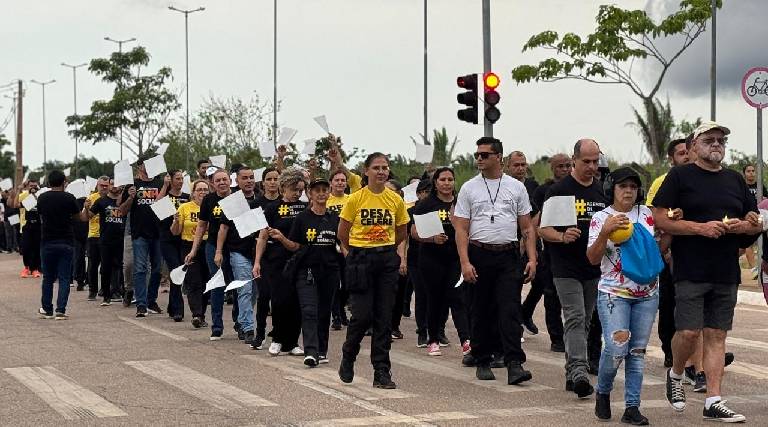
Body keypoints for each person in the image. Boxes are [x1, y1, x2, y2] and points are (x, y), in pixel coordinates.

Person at [653, 121, 760, 422]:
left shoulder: (735, 180)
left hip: (726, 270)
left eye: (721, 140)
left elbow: (752, 222)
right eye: (710, 139)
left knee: (716, 334)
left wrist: (748, 225)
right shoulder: (679, 176)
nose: (717, 144)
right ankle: (676, 373)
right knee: (688, 332)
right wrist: (699, 228)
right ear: (694, 146)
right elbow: (660, 219)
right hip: (691, 268)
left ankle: (713, 399)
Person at [453, 137, 536, 385]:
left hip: (508, 256)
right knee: (480, 310)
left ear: (498, 157)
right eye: (477, 155)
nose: (479, 159)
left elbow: (528, 228)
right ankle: (481, 358)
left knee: (510, 309)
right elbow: (461, 230)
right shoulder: (469, 188)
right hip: (479, 254)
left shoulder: (516, 188)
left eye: (485, 155)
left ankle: (514, 363)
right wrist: (465, 263)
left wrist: (532, 258)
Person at [587, 167, 659, 425]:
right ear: (611, 190)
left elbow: (655, 247)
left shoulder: (647, 214)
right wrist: (606, 232)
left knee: (637, 352)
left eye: (633, 186)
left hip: (647, 293)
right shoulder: (601, 218)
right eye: (622, 186)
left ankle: (632, 407)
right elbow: (593, 258)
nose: (628, 190)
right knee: (617, 348)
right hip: (613, 293)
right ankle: (603, 391)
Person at [538, 139, 607, 399]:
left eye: (595, 161)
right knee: (576, 317)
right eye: (586, 161)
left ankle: (572, 373)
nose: (591, 167)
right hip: (565, 267)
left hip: (593, 267)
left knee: (586, 320)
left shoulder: (601, 192)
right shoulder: (560, 190)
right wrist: (562, 236)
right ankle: (579, 371)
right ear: (574, 160)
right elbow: (543, 229)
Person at [337, 152, 409, 389]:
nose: (381, 172)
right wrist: (355, 252)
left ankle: (381, 370)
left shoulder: (395, 200)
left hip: (386, 259)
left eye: (385, 167)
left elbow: (401, 230)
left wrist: (389, 250)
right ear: (366, 171)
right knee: (362, 315)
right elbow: (343, 233)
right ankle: (349, 355)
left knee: (383, 317)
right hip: (360, 259)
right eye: (376, 167)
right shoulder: (355, 199)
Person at [270, 177, 340, 366]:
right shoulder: (302, 218)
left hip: (330, 271)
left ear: (329, 193)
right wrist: (282, 238)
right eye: (317, 190)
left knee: (324, 312)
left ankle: (322, 350)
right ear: (310, 194)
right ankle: (311, 351)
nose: (321, 194)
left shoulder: (334, 218)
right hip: (306, 270)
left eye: (324, 190)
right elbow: (295, 246)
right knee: (309, 311)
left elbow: (342, 244)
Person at [411, 167, 470, 357]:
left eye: (450, 179)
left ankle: (466, 340)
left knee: (457, 296)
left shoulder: (461, 203)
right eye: (442, 179)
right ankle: (433, 339)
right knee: (434, 299)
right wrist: (431, 239)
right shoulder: (426, 204)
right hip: (431, 259)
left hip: (455, 258)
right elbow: (414, 232)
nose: (446, 183)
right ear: (435, 182)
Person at [253, 167, 308, 355]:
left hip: (298, 259)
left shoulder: (304, 207)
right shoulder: (272, 208)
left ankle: (292, 342)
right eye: (294, 189)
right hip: (275, 261)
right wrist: (257, 262)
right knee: (278, 300)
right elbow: (262, 236)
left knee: (296, 301)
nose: (297, 193)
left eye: (300, 190)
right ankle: (277, 338)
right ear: (284, 187)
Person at [646, 138, 689, 369]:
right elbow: (654, 217)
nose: (686, 156)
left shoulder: (701, 180)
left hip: (697, 253)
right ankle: (669, 350)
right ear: (671, 158)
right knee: (669, 304)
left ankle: (700, 355)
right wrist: (666, 249)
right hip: (670, 252)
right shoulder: (662, 182)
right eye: (681, 153)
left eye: (687, 152)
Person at [525, 154, 569, 352]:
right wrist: (533, 249)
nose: (565, 169)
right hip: (550, 250)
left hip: (576, 251)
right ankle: (557, 338)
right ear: (553, 169)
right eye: (560, 166)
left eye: (568, 165)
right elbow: (534, 222)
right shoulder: (544, 191)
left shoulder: (579, 188)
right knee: (551, 295)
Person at [120, 156, 171, 317]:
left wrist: (165, 185)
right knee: (140, 269)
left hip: (158, 232)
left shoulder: (160, 183)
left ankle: (151, 300)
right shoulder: (132, 185)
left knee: (157, 269)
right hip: (139, 233)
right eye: (145, 164)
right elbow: (122, 210)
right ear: (139, 167)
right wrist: (130, 197)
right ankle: (141, 304)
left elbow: (163, 205)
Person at [185, 169, 232, 340]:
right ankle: (217, 326)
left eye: (224, 179)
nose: (221, 183)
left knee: (237, 286)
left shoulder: (238, 198)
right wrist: (193, 250)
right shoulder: (209, 200)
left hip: (236, 247)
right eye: (217, 180)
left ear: (230, 181)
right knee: (217, 285)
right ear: (213, 183)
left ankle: (241, 324)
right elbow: (201, 226)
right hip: (213, 247)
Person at [217, 166, 258, 344]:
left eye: (251, 178)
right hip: (238, 251)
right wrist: (218, 251)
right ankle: (248, 328)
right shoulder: (233, 201)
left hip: (258, 253)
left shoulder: (261, 200)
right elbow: (223, 228)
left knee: (254, 292)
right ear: (237, 181)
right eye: (245, 178)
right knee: (245, 289)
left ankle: (241, 321)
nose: (249, 181)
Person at [36, 170, 80, 319]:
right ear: (64, 182)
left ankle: (47, 309)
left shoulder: (42, 198)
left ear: (49, 182)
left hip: (47, 240)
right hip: (66, 241)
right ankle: (61, 310)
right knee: (64, 278)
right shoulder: (69, 198)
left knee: (48, 277)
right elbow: (77, 217)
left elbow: (41, 215)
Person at [173, 179, 210, 328]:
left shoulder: (212, 206)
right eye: (199, 189)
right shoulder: (184, 208)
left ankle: (201, 314)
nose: (202, 192)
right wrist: (175, 222)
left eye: (205, 190)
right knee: (194, 281)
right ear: (193, 192)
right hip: (188, 246)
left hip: (208, 246)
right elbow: (175, 232)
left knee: (207, 283)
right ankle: (196, 314)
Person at [86, 179, 127, 306]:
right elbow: (89, 216)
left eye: (117, 184)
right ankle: (106, 296)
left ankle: (124, 293)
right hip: (105, 240)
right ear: (109, 186)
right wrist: (86, 208)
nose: (114, 186)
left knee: (122, 267)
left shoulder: (125, 201)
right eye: (112, 184)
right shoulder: (101, 201)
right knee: (105, 268)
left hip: (122, 239)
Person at [254, 167, 281, 347]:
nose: (272, 182)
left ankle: (279, 333)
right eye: (269, 179)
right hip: (263, 252)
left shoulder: (285, 202)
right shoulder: (256, 204)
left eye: (275, 179)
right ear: (263, 182)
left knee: (280, 297)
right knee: (263, 295)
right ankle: (260, 333)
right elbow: (251, 230)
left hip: (282, 254)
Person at [158, 170, 190, 321]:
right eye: (177, 179)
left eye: (181, 178)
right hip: (167, 239)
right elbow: (156, 205)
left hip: (182, 240)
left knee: (178, 272)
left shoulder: (186, 197)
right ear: (170, 180)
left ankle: (172, 306)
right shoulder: (166, 196)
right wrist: (164, 186)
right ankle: (178, 310)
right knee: (176, 269)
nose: (180, 181)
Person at [408, 179, 432, 347]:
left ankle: (437, 331)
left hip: (436, 259)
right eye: (426, 192)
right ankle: (422, 331)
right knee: (422, 296)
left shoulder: (438, 209)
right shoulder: (411, 212)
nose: (429, 195)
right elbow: (406, 237)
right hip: (416, 259)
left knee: (438, 297)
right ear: (419, 193)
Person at [327, 169, 351, 330]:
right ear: (331, 183)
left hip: (349, 244)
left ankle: (341, 310)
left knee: (348, 283)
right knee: (335, 282)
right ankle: (336, 316)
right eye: (337, 180)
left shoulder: (351, 199)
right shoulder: (326, 200)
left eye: (343, 180)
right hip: (330, 245)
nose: (340, 183)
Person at [82, 177, 110, 298]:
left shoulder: (113, 198)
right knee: (93, 265)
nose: (104, 187)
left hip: (108, 236)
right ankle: (92, 290)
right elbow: (84, 218)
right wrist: (86, 207)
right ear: (97, 186)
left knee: (106, 265)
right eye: (101, 185)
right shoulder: (92, 198)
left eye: (106, 185)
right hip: (94, 235)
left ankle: (105, 289)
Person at [10, 178, 42, 278]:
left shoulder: (41, 196)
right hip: (25, 225)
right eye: (31, 186)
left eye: (34, 186)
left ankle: (35, 269)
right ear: (28, 186)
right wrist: (19, 190)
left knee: (36, 247)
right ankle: (26, 267)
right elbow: (15, 205)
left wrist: (36, 196)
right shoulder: (25, 195)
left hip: (38, 225)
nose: (32, 188)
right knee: (26, 248)